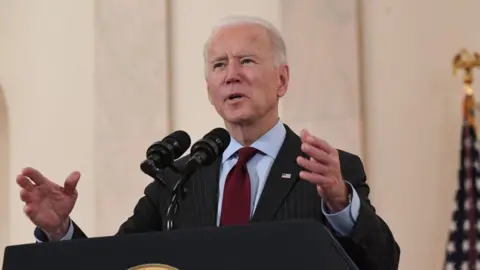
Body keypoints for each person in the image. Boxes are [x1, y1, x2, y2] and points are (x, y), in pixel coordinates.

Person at [17, 15, 400, 269]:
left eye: (247, 61)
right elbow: (121, 261)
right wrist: (60, 230)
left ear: (282, 80)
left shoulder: (325, 172)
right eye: (219, 65)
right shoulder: (179, 177)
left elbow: (383, 263)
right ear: (209, 89)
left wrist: (340, 204)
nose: (231, 75)